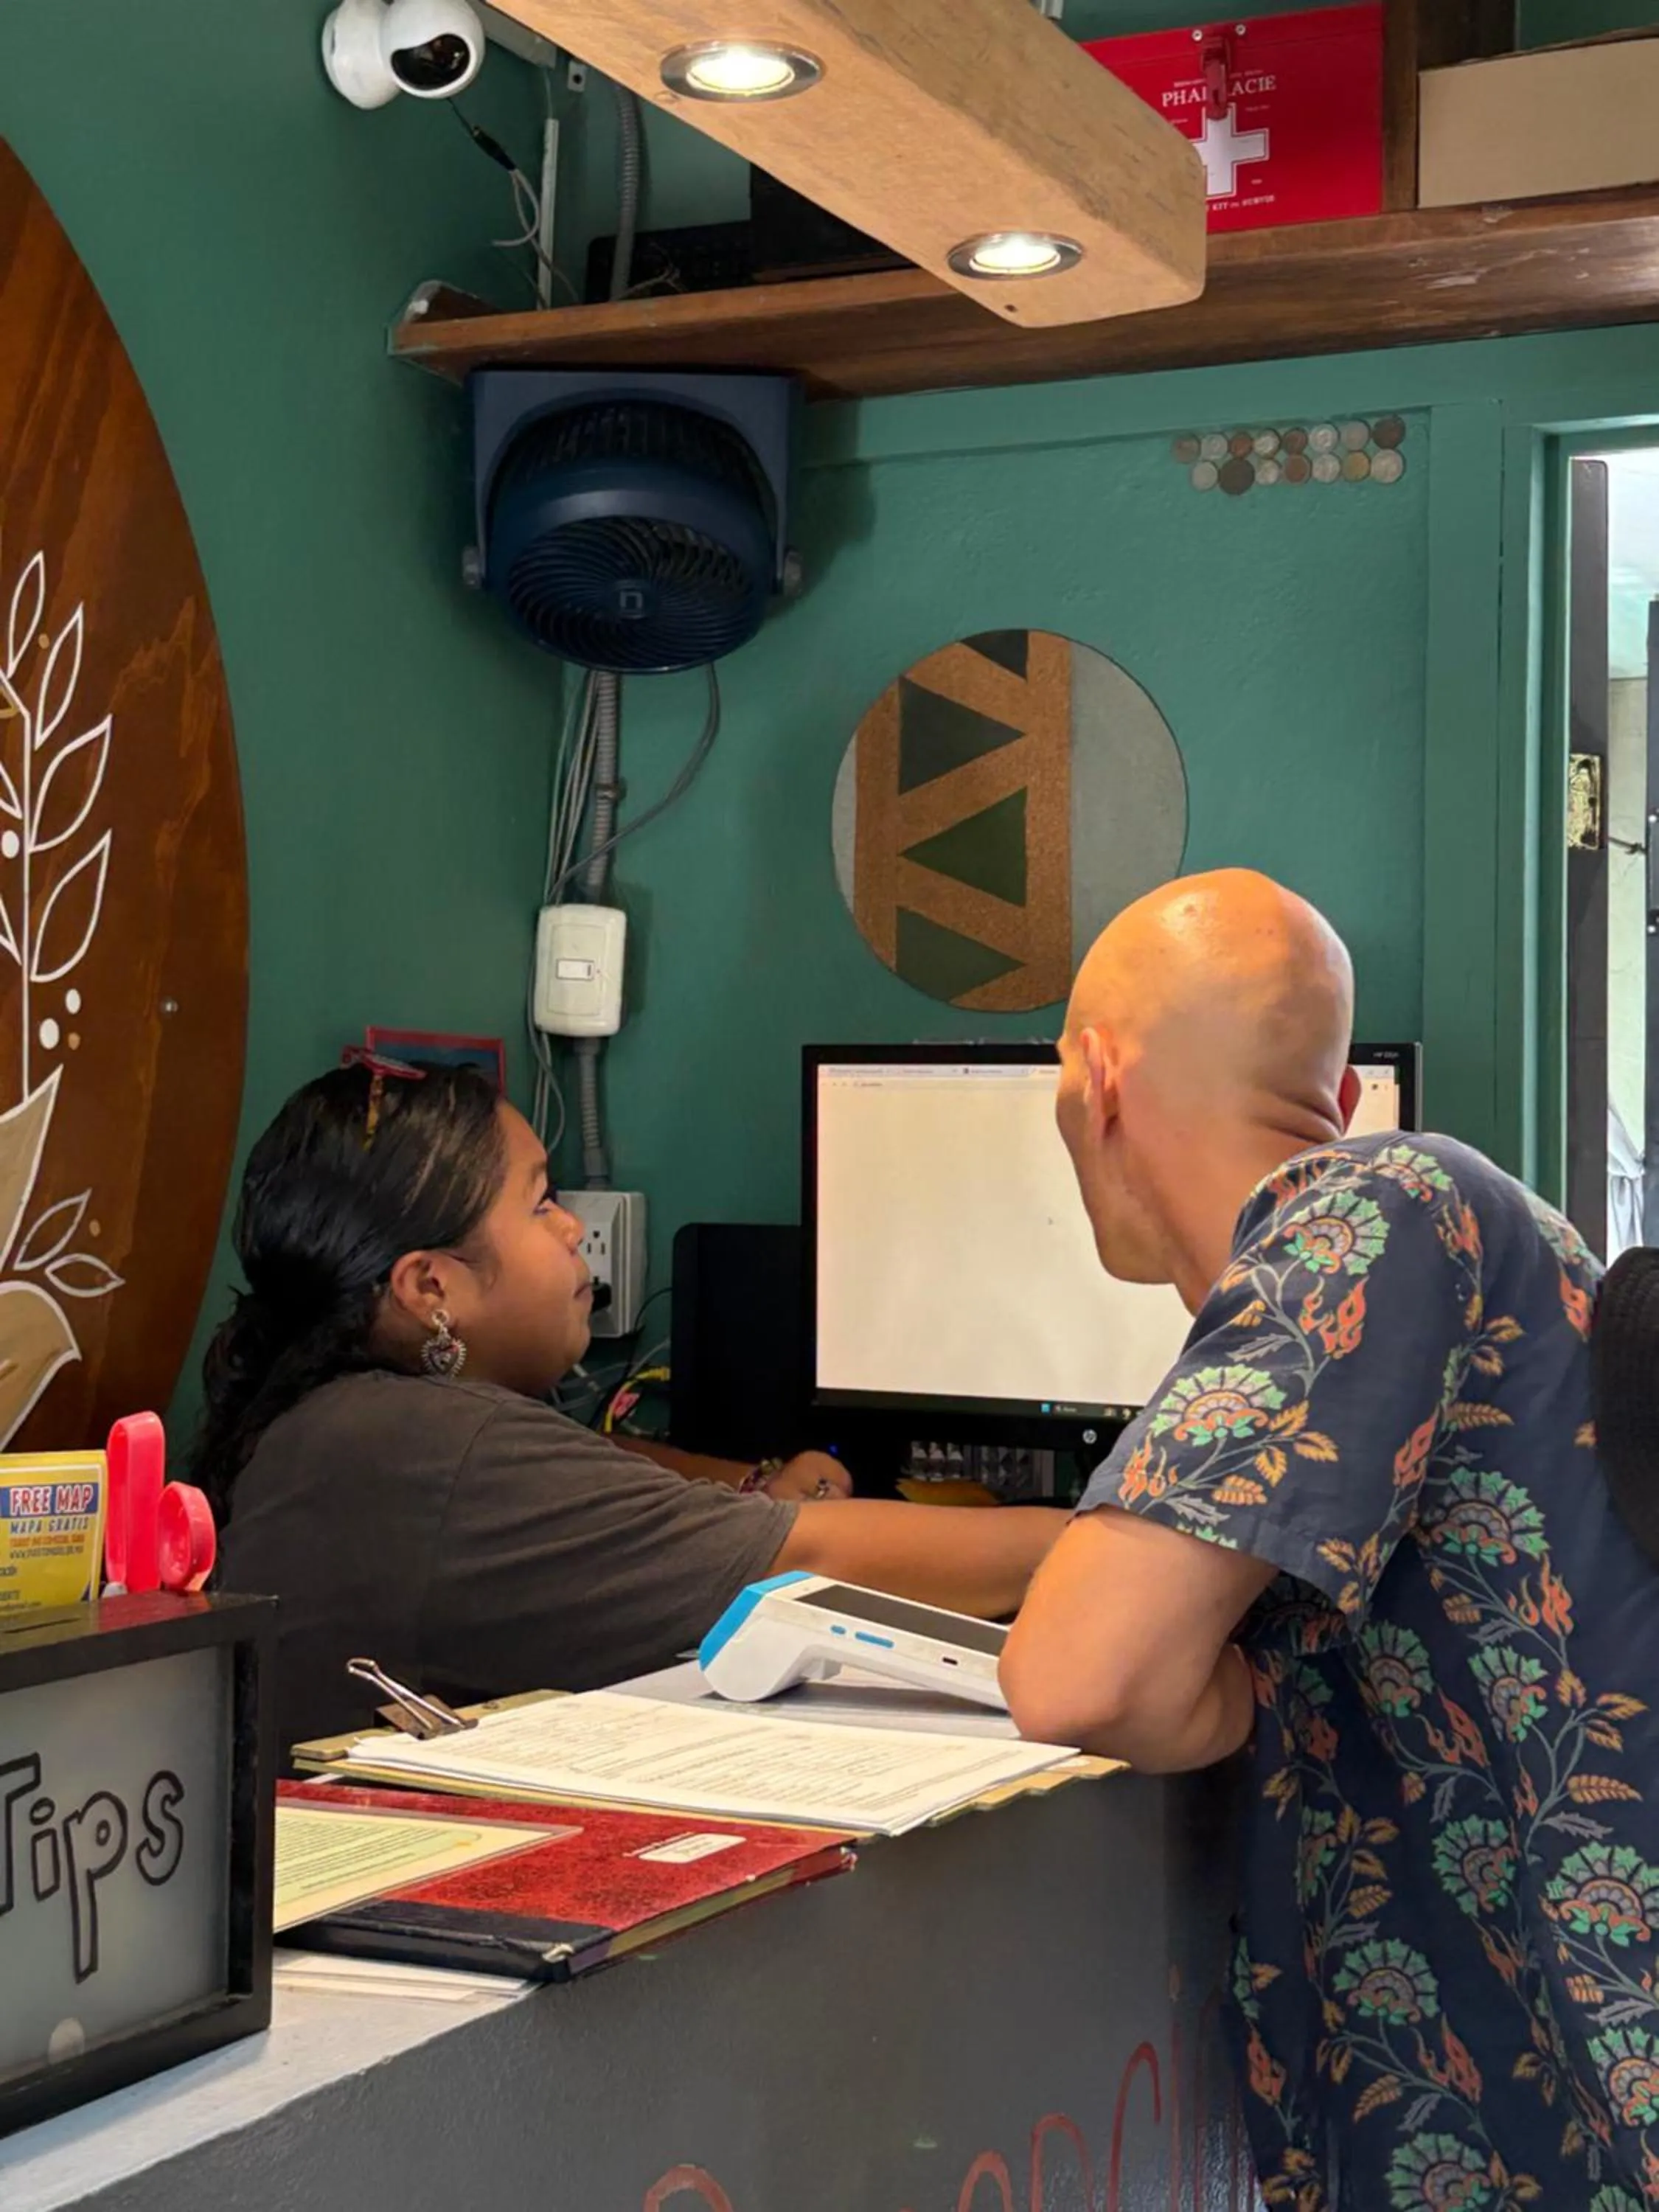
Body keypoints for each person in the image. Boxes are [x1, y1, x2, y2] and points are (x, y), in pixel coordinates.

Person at [1001, 869, 1659, 2212]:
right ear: (1344, 1088)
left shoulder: (1379, 1202)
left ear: (1093, 1082)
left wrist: (1226, 1707)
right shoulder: (1474, 1230)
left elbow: (1081, 1674)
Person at [204, 1059, 1062, 1758]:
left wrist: (748, 1482)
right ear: (433, 1284)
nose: (573, 1230)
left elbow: (598, 1472)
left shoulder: (336, 1423)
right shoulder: (437, 1449)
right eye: (540, 1204)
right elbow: (817, 1560)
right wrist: (1135, 1532)